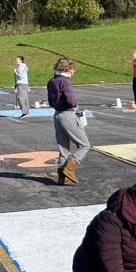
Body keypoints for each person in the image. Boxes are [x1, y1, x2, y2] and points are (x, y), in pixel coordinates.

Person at [47, 57, 90, 185]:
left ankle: (62, 178)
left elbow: (50, 101)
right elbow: (71, 98)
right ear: (69, 69)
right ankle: (70, 169)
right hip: (68, 114)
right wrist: (74, 104)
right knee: (84, 145)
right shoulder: (64, 81)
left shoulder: (51, 81)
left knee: (63, 147)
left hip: (57, 115)